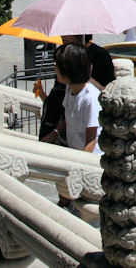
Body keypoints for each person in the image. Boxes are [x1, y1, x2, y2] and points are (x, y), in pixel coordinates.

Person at [40, 43, 103, 210]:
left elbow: (91, 141)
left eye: (57, 65)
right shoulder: (70, 89)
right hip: (73, 152)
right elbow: (68, 116)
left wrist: (75, 169)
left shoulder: (90, 98)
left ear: (68, 70)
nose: (54, 67)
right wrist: (54, 133)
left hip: (89, 160)